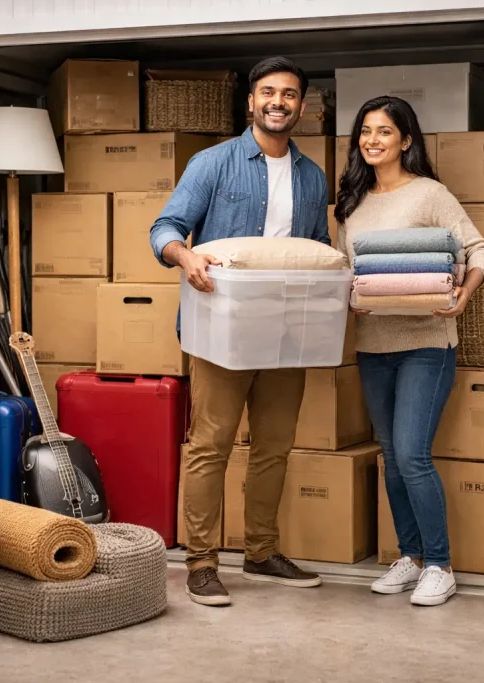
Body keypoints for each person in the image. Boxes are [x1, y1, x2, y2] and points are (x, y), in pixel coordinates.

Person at [149, 56, 330, 607]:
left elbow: (317, 251)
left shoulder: (312, 176)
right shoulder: (213, 163)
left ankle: (261, 551)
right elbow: (165, 228)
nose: (279, 102)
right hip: (221, 329)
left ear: (301, 105)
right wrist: (187, 258)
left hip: (287, 333)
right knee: (211, 446)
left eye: (289, 94)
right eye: (268, 92)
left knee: (274, 448)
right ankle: (202, 563)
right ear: (251, 101)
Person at [334, 96, 484, 607]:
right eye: (365, 130)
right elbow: (344, 268)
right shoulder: (353, 204)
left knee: (412, 454)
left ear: (406, 140)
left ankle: (440, 566)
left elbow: (480, 250)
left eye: (384, 131)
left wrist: (463, 294)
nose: (373, 140)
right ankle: (411, 556)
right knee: (392, 458)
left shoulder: (430, 194)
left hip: (427, 342)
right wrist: (348, 295)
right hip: (373, 344)